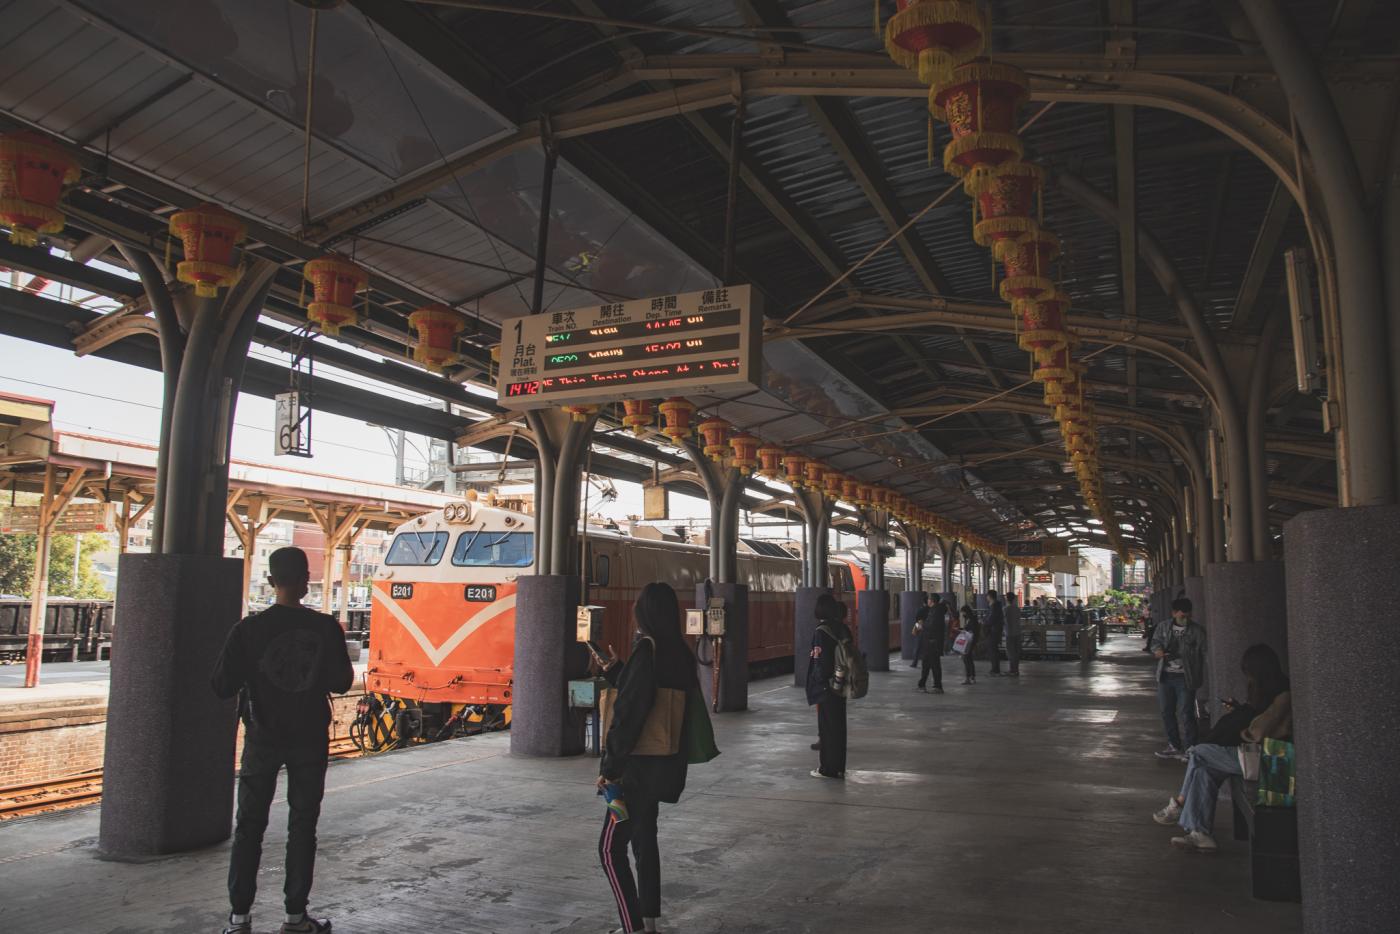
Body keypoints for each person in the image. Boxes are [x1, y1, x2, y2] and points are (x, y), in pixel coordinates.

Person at [211, 547, 354, 934]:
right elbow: (343, 682)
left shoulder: (247, 630)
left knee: (249, 827)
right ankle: (295, 917)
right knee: (303, 825)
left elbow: (221, 686)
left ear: (271, 581)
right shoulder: (325, 628)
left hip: (262, 737)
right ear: (306, 581)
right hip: (309, 737)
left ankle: (239, 919)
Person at [595, 581, 697, 934]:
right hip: (663, 763)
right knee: (644, 841)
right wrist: (617, 671)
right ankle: (648, 921)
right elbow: (654, 698)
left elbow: (629, 714)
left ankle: (633, 927)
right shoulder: (680, 653)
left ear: (645, 613)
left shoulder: (646, 650)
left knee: (610, 850)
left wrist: (610, 770)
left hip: (635, 770)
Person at [1152, 644, 1292, 852]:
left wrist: (1242, 730)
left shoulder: (1283, 695)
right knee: (1204, 771)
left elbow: (1258, 732)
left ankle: (1179, 804)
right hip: (1252, 755)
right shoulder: (1266, 691)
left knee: (1197, 752)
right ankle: (1200, 833)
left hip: (1269, 760)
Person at [1150, 597, 1207, 760]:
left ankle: (1190, 747)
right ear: (1174, 613)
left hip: (1186, 677)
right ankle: (1174, 745)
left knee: (1186, 713)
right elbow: (1155, 643)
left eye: (1188, 616)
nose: (1185, 619)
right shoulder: (1163, 627)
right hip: (1165, 675)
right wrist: (1158, 651)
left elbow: (1204, 651)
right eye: (1182, 616)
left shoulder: (1197, 631)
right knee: (1166, 711)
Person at [805, 593, 852, 779]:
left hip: (827, 686)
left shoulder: (821, 631)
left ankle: (827, 769)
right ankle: (839, 767)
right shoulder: (842, 628)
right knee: (838, 727)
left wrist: (819, 683)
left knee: (827, 729)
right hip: (842, 684)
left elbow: (820, 661)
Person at [914, 594, 946, 694]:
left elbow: (931, 625)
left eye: (928, 599)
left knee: (934, 665)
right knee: (926, 664)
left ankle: (938, 686)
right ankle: (922, 685)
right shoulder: (934, 610)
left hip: (932, 642)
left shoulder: (936, 611)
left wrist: (921, 626)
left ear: (932, 600)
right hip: (929, 641)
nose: (927, 601)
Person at [958, 603, 980, 685]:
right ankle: (971, 677)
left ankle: (969, 677)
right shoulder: (969, 619)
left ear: (966, 612)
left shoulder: (972, 620)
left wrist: (964, 630)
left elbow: (972, 630)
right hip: (969, 641)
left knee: (967, 659)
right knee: (968, 659)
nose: (962, 614)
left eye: (963, 612)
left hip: (969, 641)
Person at [986, 590, 1005, 676]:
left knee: (993, 650)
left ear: (990, 596)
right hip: (996, 630)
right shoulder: (997, 605)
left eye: (987, 596)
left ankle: (995, 669)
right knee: (994, 650)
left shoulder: (994, 606)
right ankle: (995, 669)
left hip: (993, 631)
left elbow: (991, 619)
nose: (986, 598)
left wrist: (986, 624)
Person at [1004, 592, 1022, 677]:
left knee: (1010, 653)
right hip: (1017, 632)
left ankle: (1012, 670)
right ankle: (1016, 670)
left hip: (1009, 633)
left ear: (1006, 599)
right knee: (1016, 652)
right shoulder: (1017, 609)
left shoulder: (1005, 609)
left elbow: (1004, 620)